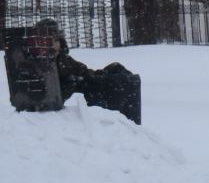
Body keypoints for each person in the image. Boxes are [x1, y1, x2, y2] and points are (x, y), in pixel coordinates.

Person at [4, 19, 142, 123]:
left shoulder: (64, 60)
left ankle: (130, 125)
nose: (53, 45)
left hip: (89, 85)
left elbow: (85, 73)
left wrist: (92, 77)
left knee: (117, 70)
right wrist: (72, 84)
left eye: (55, 40)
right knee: (121, 81)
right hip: (80, 99)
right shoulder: (36, 65)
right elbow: (49, 96)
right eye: (48, 41)